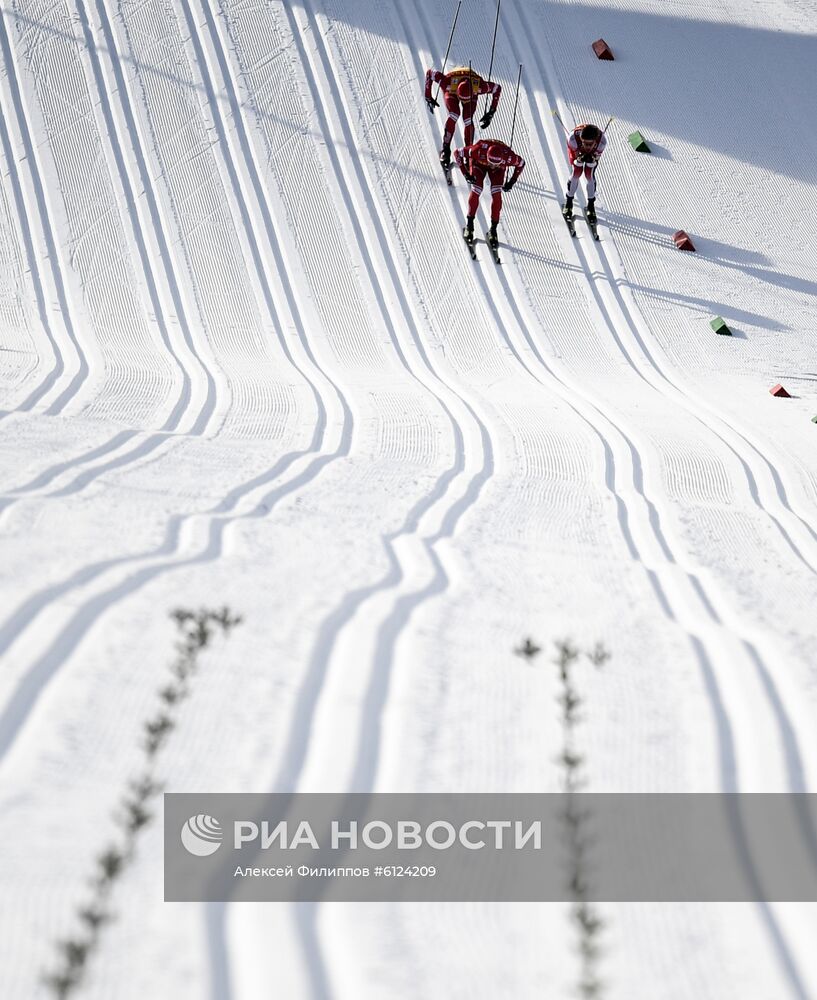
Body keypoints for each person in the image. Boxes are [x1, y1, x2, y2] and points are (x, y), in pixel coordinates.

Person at [424, 66, 502, 170]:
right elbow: (429, 72)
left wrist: (492, 111)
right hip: (453, 88)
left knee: (467, 119)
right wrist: (428, 96)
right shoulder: (447, 82)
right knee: (454, 114)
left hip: (471, 89)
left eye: (465, 100)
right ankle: (446, 149)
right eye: (462, 99)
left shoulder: (479, 86)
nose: (463, 102)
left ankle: (468, 152)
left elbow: (497, 89)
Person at [454, 139, 525, 247]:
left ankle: (493, 230)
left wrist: (511, 182)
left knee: (496, 194)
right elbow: (457, 153)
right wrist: (466, 174)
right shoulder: (477, 150)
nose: (492, 165)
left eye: (495, 163)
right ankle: (470, 225)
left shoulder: (508, 157)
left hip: (497, 169)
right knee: (477, 189)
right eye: (491, 163)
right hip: (479, 164)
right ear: (487, 156)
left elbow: (521, 163)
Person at [563, 123, 607, 221]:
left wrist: (593, 159)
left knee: (589, 175)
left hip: (593, 151)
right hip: (576, 149)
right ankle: (569, 202)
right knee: (576, 172)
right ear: (581, 139)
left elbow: (595, 159)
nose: (587, 146)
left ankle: (591, 205)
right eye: (584, 143)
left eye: (590, 144)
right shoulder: (573, 139)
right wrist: (578, 158)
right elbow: (574, 158)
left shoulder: (601, 143)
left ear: (595, 142)